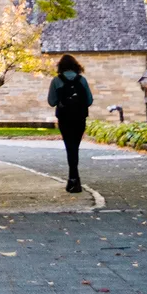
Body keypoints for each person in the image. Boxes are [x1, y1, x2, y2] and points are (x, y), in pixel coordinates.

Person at [47, 54, 94, 194]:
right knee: (75, 146)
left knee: (70, 147)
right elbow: (89, 101)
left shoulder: (56, 81)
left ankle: (73, 179)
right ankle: (74, 179)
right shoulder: (82, 80)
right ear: (76, 66)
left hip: (65, 118)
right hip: (79, 118)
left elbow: (51, 102)